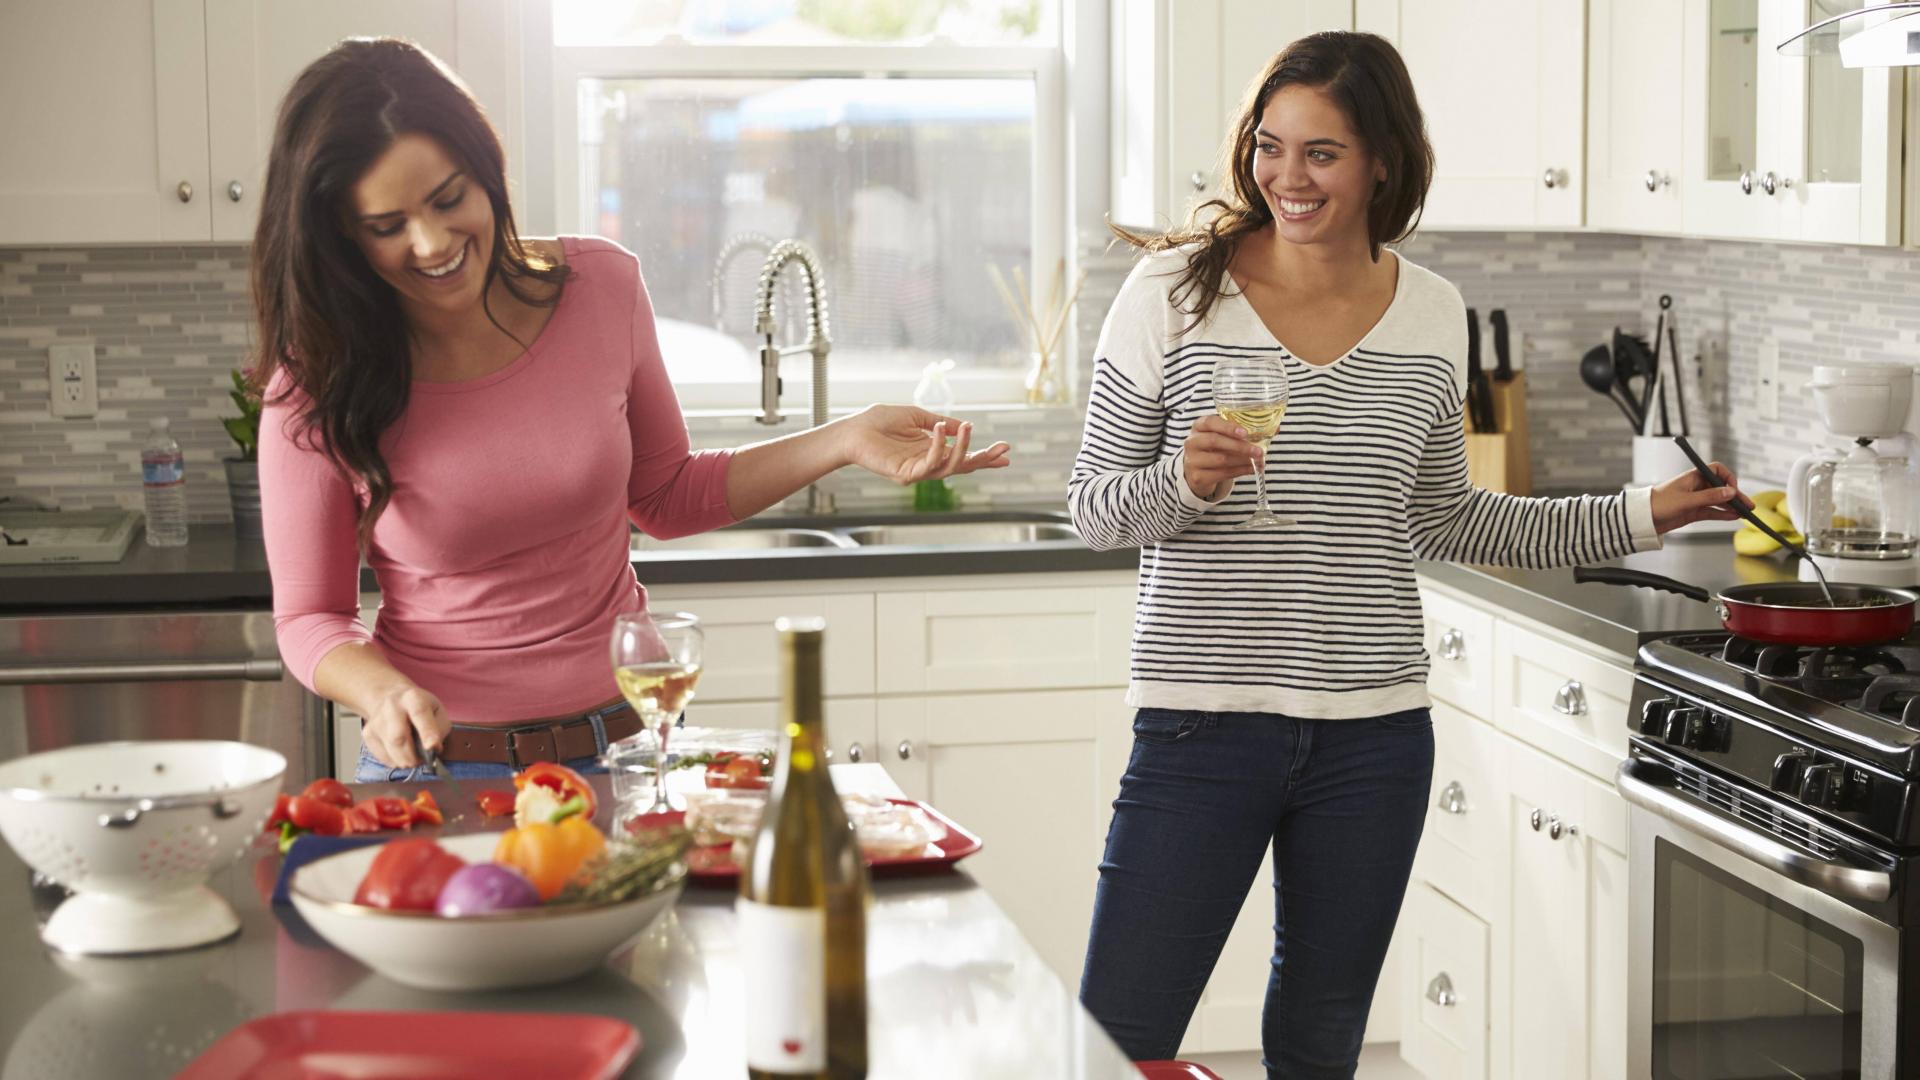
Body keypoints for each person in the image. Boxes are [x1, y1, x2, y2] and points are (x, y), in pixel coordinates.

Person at [1067, 31, 1746, 1078]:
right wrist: (1183, 484)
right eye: (1270, 145)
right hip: (1203, 723)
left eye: (1322, 153)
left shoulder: (1430, 309)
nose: (1287, 177)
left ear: (1383, 159)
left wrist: (1644, 512)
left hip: (1372, 739)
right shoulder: (1175, 292)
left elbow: (1450, 521)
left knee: (1320, 1042)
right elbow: (1095, 512)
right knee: (1117, 1038)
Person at [254, 38, 1009, 782]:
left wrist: (843, 438)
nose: (432, 241)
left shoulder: (600, 288)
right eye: (388, 227)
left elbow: (666, 494)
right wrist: (380, 688)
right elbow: (310, 617)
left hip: (627, 750)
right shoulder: (319, 376)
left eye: (450, 198)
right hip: (441, 769)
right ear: (344, 235)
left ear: (487, 174)